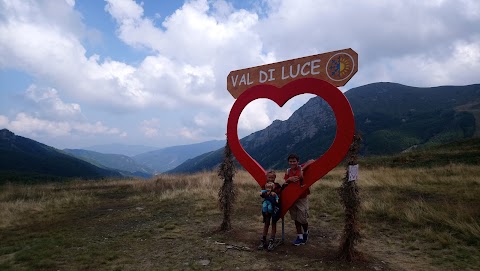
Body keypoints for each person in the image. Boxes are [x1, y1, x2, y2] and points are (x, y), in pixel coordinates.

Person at [284, 153, 310, 246]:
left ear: (298, 162)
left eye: (294, 161)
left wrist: (302, 170)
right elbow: (285, 183)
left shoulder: (301, 167)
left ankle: (306, 232)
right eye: (290, 161)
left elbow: (312, 161)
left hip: (302, 197)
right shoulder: (288, 171)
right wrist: (289, 179)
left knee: (302, 218)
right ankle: (300, 236)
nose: (292, 163)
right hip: (292, 197)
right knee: (295, 218)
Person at [258, 170, 282, 251]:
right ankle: (263, 239)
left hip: (274, 207)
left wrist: (275, 194)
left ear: (275, 177)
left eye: (272, 177)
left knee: (274, 223)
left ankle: (272, 239)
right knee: (267, 223)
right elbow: (262, 194)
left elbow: (279, 195)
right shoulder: (265, 185)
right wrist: (266, 194)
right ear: (266, 177)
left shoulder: (277, 186)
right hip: (267, 206)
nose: (271, 179)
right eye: (269, 177)